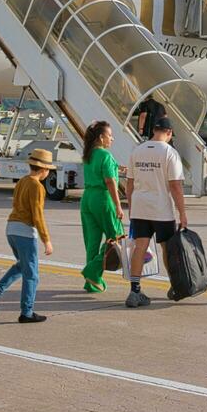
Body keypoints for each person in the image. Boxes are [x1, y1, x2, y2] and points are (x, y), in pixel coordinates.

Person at [0, 148, 55, 323]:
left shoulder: (22, 181)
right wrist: (47, 240)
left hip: (11, 228)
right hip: (25, 232)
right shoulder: (37, 186)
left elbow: (15, 203)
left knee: (22, 266)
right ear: (44, 170)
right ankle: (26, 312)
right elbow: (37, 215)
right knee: (32, 274)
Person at [125, 116, 188, 308]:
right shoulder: (170, 152)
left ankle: (135, 291)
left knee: (140, 247)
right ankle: (175, 286)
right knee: (167, 249)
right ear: (168, 133)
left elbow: (129, 183)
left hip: (140, 207)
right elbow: (175, 186)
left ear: (154, 131)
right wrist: (183, 213)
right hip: (161, 209)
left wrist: (131, 205)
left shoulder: (137, 150)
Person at [79, 121, 124, 293]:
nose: (112, 138)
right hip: (103, 199)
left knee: (92, 241)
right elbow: (109, 181)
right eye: (110, 135)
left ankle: (92, 282)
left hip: (88, 198)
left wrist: (118, 169)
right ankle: (92, 271)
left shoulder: (88, 155)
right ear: (101, 137)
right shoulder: (106, 155)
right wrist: (118, 205)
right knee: (116, 238)